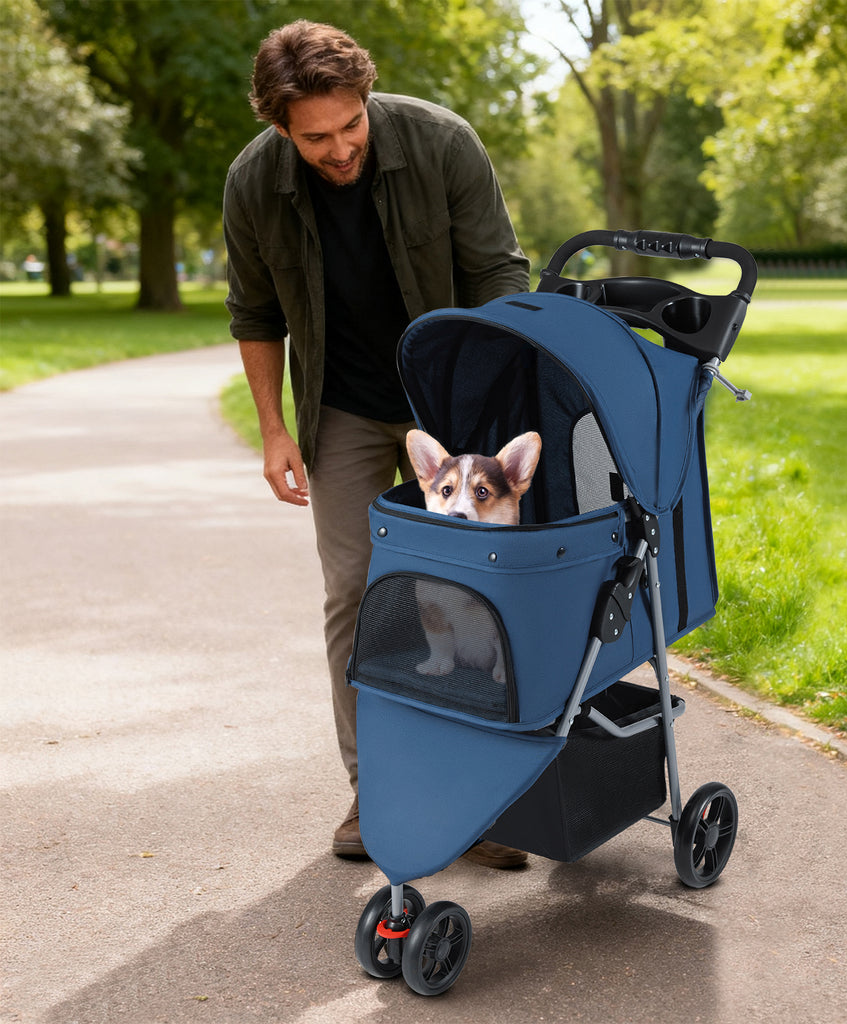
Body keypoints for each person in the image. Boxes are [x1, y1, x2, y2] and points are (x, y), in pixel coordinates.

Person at [223, 20, 531, 867]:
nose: (339, 147)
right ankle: (378, 789)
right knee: (357, 590)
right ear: (279, 126)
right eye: (315, 136)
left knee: (471, 585)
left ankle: (484, 790)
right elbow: (255, 313)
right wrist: (275, 429)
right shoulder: (252, 183)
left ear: (367, 99)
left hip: (454, 401)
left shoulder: (441, 142)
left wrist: (494, 396)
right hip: (346, 406)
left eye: (351, 125)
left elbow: (502, 272)